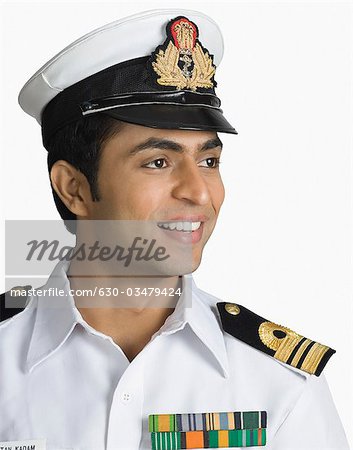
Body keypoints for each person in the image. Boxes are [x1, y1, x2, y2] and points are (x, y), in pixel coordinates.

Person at [0, 8, 349, 450]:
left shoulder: (280, 386)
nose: (199, 193)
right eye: (158, 162)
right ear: (74, 188)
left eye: (209, 161)